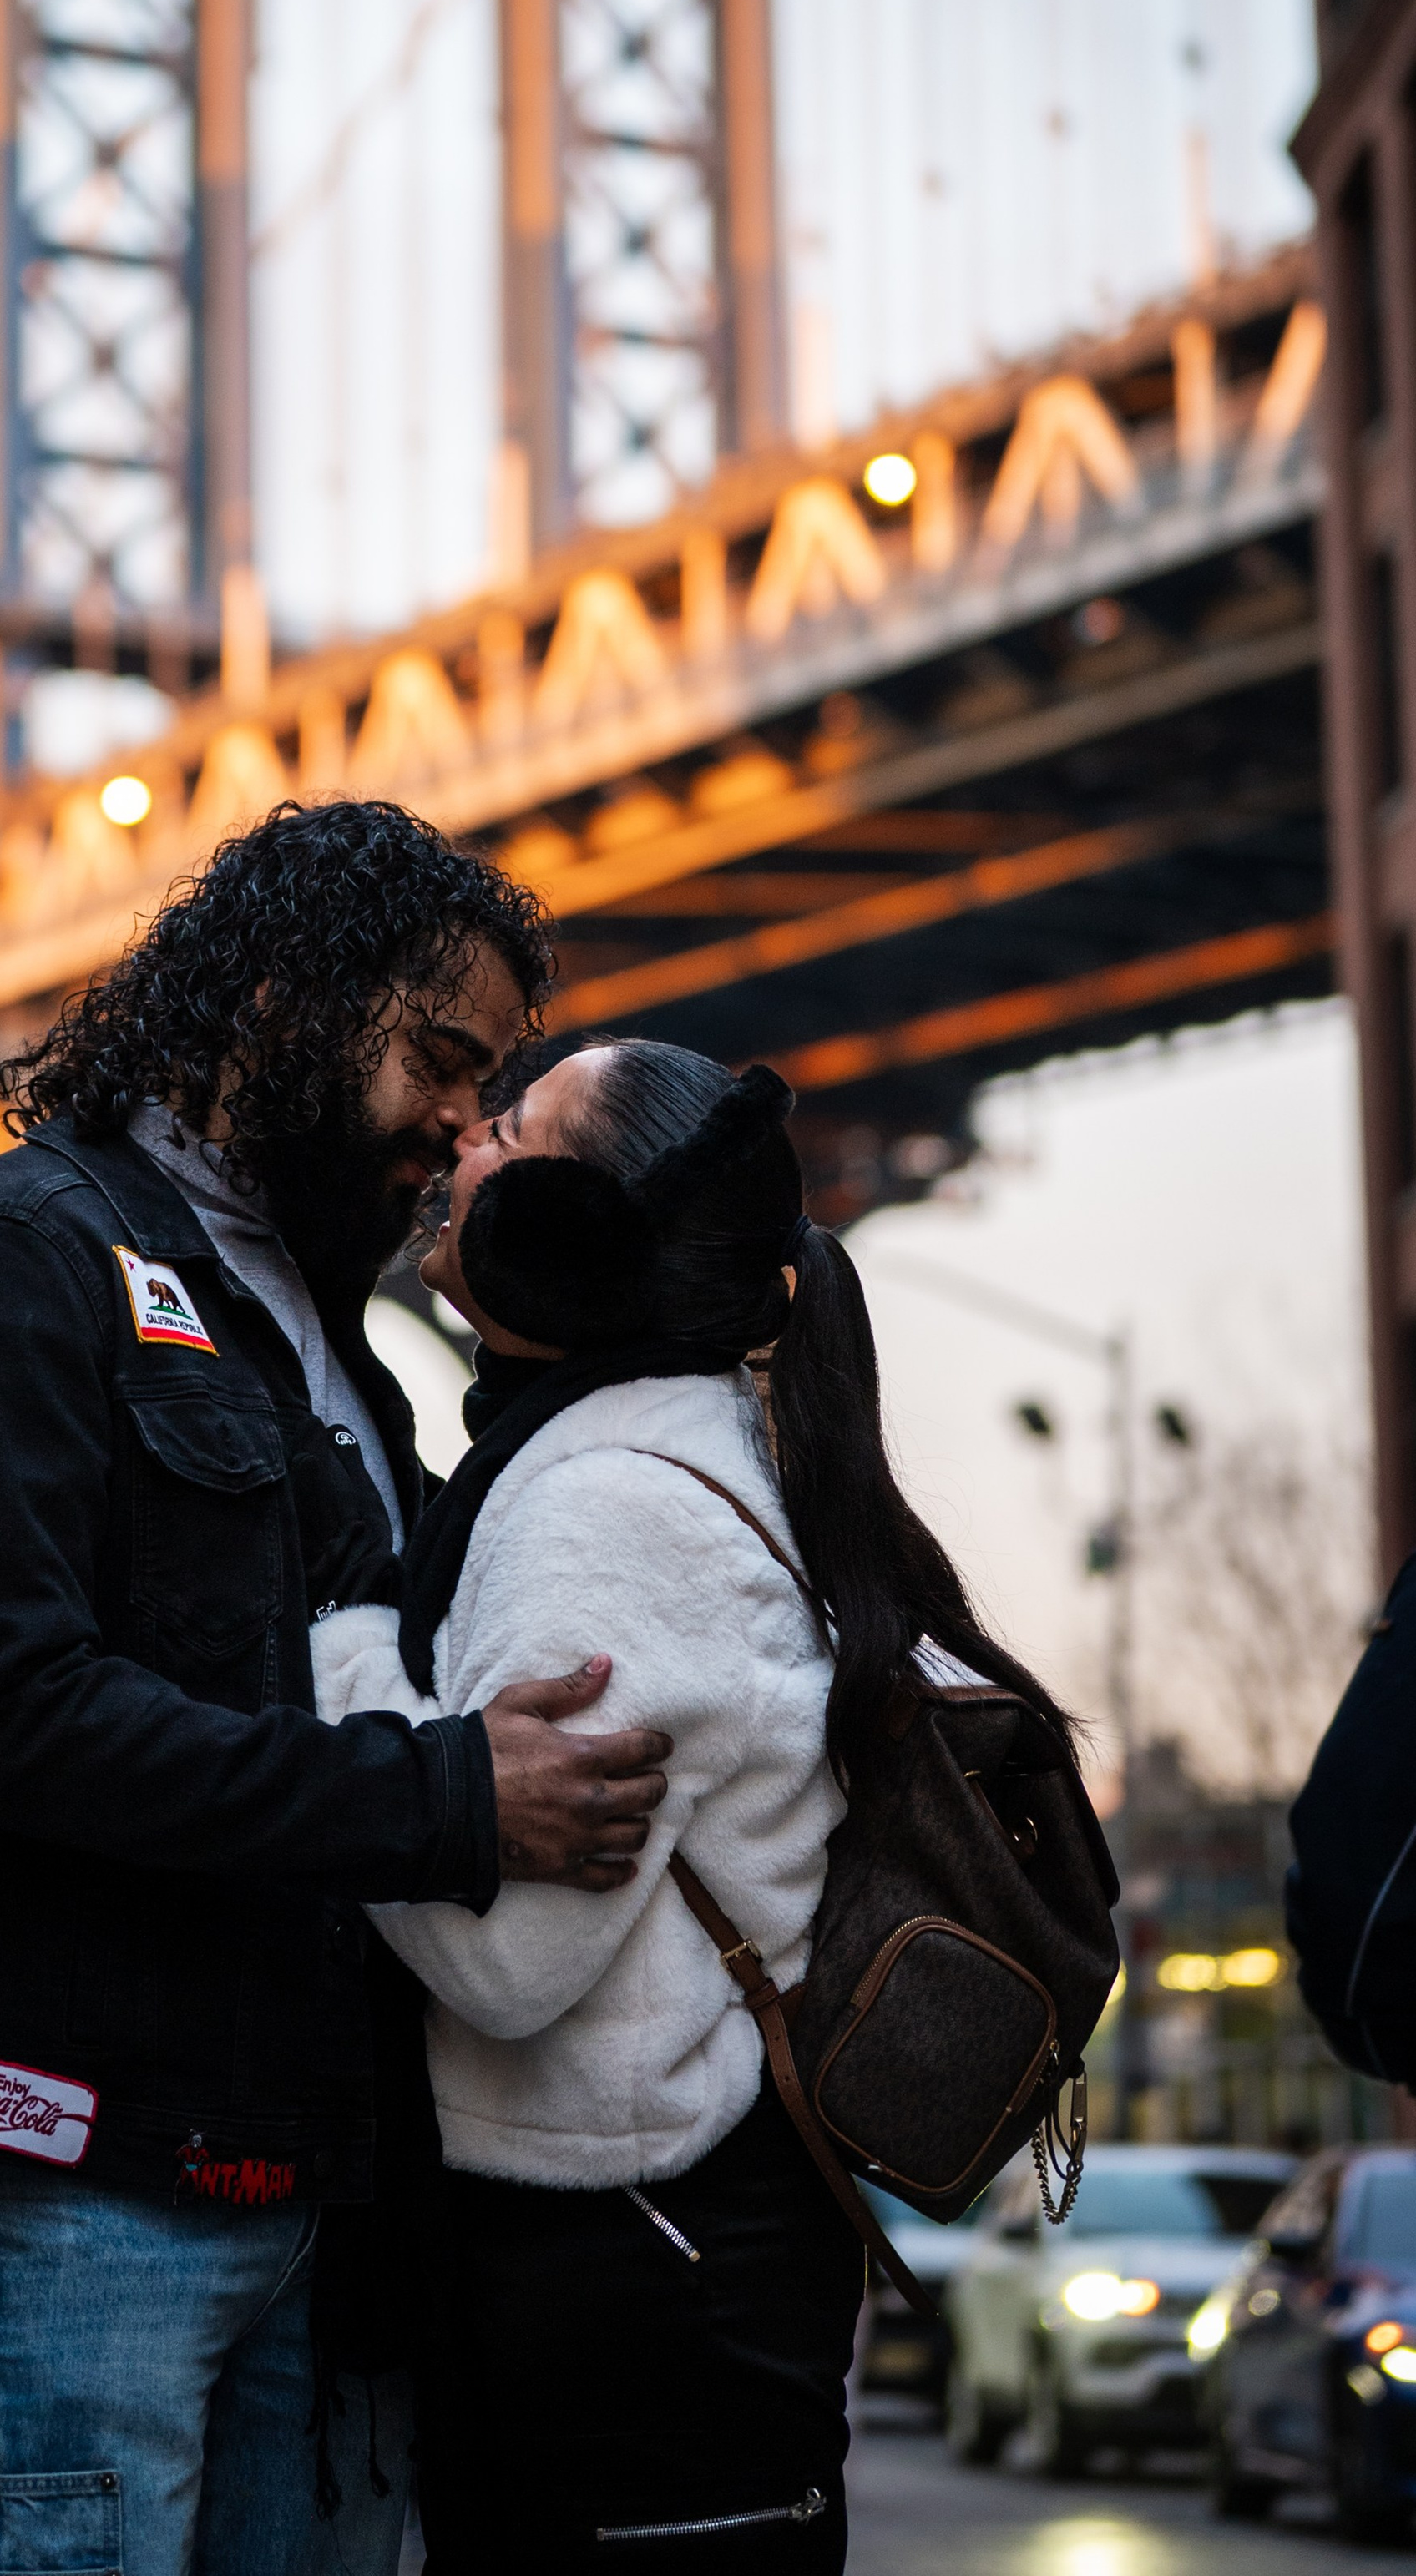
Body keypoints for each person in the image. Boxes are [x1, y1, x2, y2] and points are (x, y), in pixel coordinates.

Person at [0, 801, 676, 2576]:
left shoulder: (327, 1342)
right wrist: (447, 1799)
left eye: (491, 1083)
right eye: (442, 1061)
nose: (465, 1128)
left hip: (310, 2191)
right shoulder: (5, 1266)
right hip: (71, 2194)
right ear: (284, 1004)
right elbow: (3, 1716)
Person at [311, 1036, 1077, 2574]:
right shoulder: (675, 1455)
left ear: (581, 1234)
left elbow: (508, 1964)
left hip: (632, 2275)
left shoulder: (604, 1509)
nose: (461, 1145)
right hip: (676, 2267)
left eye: (512, 1129)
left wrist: (343, 1662)